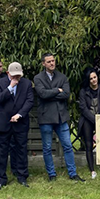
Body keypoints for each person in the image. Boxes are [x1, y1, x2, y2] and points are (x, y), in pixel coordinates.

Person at [33, 53, 84, 182]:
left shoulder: (62, 77)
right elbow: (42, 94)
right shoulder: (38, 78)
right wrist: (57, 90)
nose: (52, 63)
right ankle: (52, 174)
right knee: (47, 147)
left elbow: (66, 94)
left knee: (67, 145)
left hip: (61, 117)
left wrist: (52, 93)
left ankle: (72, 173)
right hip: (46, 118)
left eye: (53, 61)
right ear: (43, 64)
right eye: (49, 61)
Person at [0, 62, 34, 188]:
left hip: (20, 122)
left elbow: (30, 101)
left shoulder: (26, 83)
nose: (16, 78)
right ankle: (1, 178)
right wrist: (10, 87)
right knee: (2, 151)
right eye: (14, 76)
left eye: (18, 76)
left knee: (21, 149)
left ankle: (22, 176)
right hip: (3, 122)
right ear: (8, 73)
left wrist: (20, 114)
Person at [78, 67, 100, 179]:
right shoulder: (83, 91)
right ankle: (92, 170)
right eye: (90, 78)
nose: (93, 80)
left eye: (94, 77)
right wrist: (94, 119)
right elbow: (83, 108)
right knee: (88, 145)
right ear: (88, 80)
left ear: (97, 77)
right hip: (88, 119)